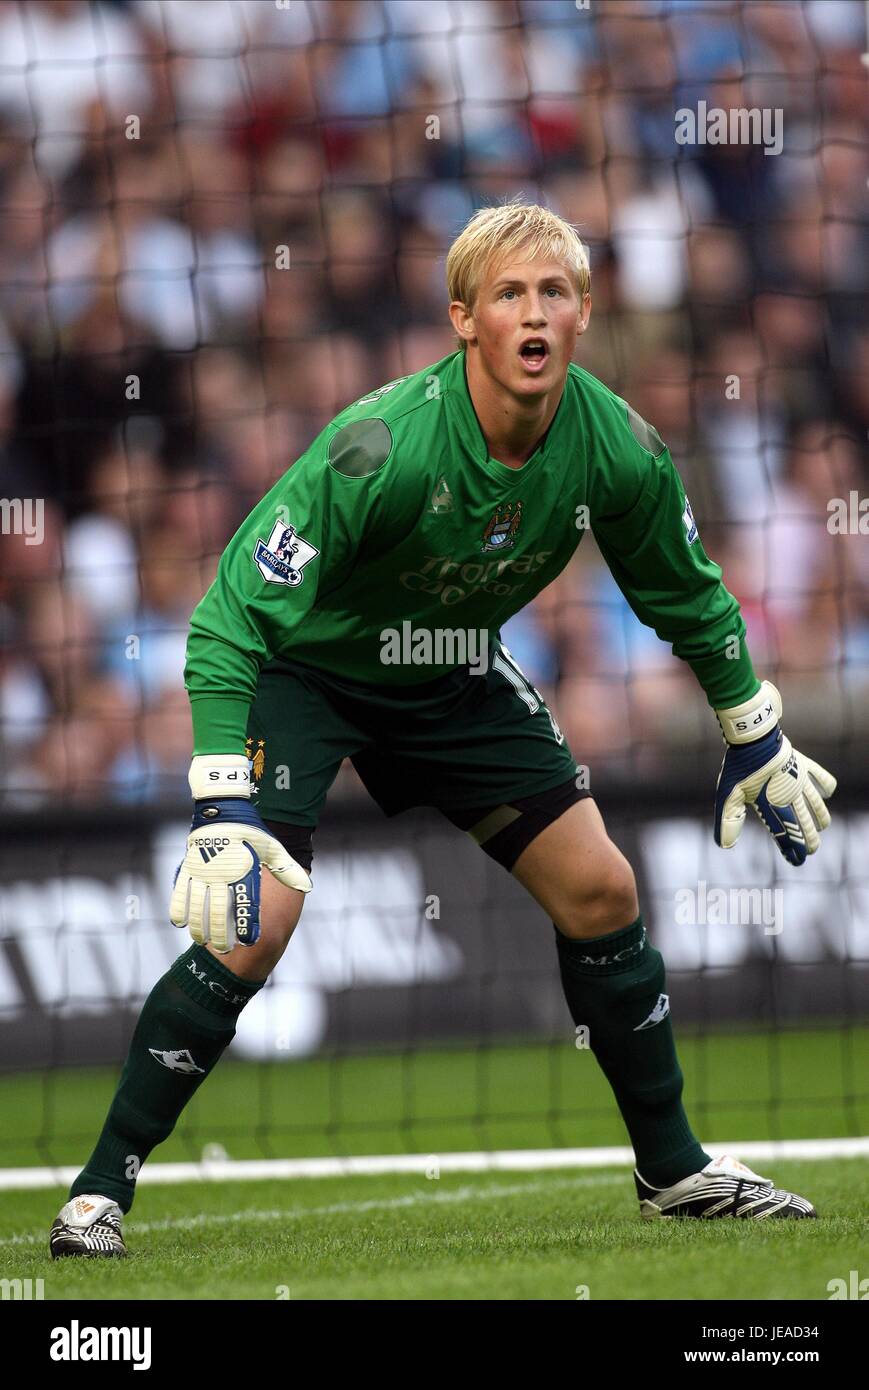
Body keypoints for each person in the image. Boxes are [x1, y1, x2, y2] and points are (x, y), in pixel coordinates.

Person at [51, 203, 835, 1257]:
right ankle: (99, 1193)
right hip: (310, 673)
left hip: (448, 669)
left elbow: (683, 591)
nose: (533, 314)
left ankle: (673, 1169)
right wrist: (220, 798)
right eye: (507, 293)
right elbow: (229, 615)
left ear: (583, 313)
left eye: (553, 292)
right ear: (462, 317)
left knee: (601, 887)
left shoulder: (618, 449)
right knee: (252, 923)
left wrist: (753, 731)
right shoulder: (381, 447)